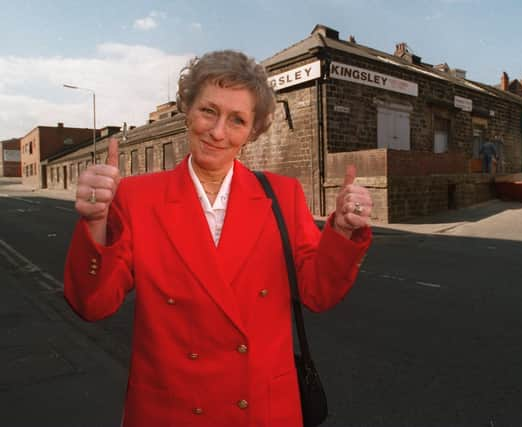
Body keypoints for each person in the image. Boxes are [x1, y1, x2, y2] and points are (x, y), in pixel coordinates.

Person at [64, 50, 372, 427]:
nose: (218, 131)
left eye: (237, 120)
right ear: (187, 110)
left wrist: (341, 230)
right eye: (208, 110)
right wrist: (96, 222)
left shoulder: (283, 195)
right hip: (171, 410)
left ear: (253, 131)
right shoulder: (137, 197)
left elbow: (317, 292)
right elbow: (92, 304)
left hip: (261, 409)